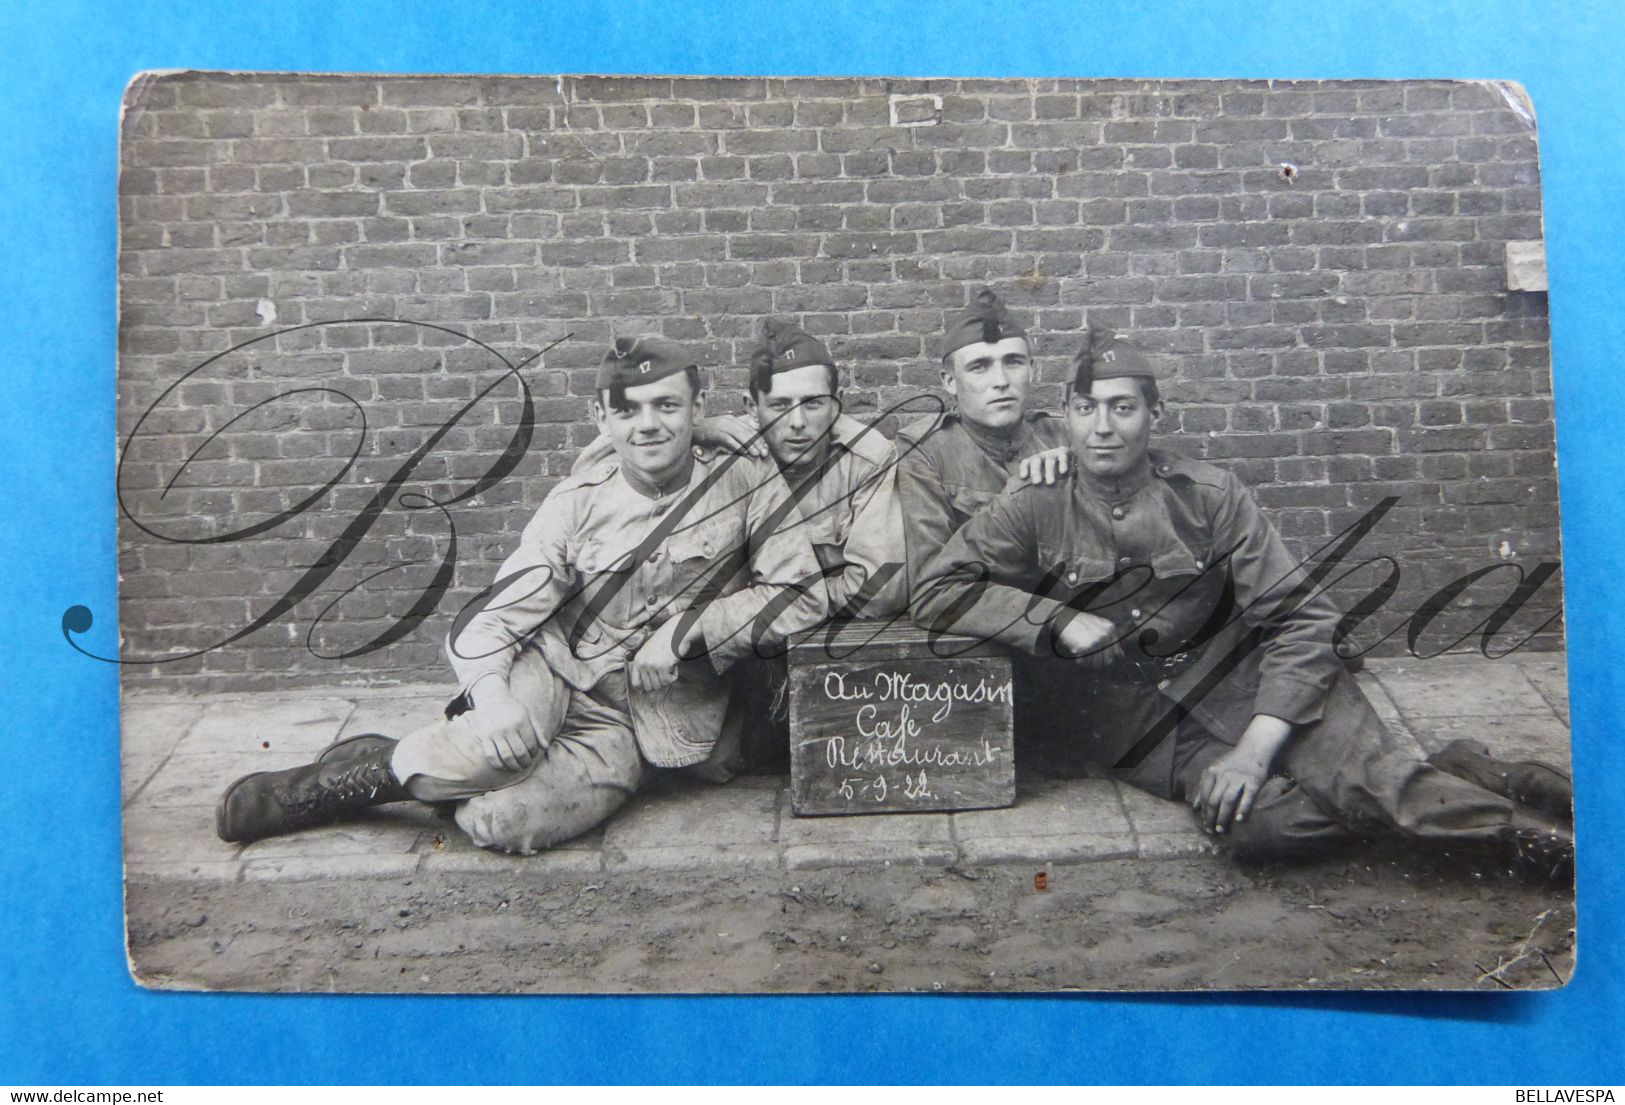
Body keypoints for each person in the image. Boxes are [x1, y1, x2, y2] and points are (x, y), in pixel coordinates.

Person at [910, 326, 1573, 879]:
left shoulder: (1208, 495)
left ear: (1154, 416)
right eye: (1086, 409)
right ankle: (1455, 771)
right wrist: (1054, 620)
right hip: (1148, 726)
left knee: (1371, 784)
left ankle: (1523, 842)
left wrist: (1258, 747)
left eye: (1122, 407)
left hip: (1252, 683)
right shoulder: (1032, 505)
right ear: (1064, 417)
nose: (1102, 427)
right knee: (1263, 830)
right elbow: (935, 587)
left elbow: (1302, 617)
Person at [215, 337, 828, 853]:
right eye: (628, 411)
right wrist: (493, 699)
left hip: (642, 720)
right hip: (553, 670)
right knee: (497, 754)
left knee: (503, 822)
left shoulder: (746, 478)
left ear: (698, 407)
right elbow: (494, 617)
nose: (649, 425)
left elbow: (799, 592)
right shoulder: (577, 501)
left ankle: (423, 766)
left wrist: (691, 629)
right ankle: (323, 786)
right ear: (602, 421)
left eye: (667, 405)